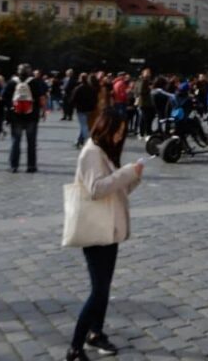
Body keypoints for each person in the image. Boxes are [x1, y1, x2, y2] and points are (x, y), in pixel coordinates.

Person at [66, 108, 144, 361]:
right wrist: (127, 173)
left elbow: (117, 190)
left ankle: (95, 332)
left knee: (103, 287)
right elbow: (96, 189)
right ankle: (75, 346)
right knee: (98, 290)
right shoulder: (91, 152)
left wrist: (134, 177)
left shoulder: (103, 151)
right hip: (96, 229)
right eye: (118, 131)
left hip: (108, 227)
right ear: (107, 128)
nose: (120, 137)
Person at [6, 63, 45, 173]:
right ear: (29, 72)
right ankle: (31, 166)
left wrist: (9, 110)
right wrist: (43, 111)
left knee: (15, 141)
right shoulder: (34, 82)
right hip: (31, 116)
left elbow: (4, 97)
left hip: (15, 116)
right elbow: (41, 97)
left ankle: (14, 166)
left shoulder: (12, 82)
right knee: (31, 143)